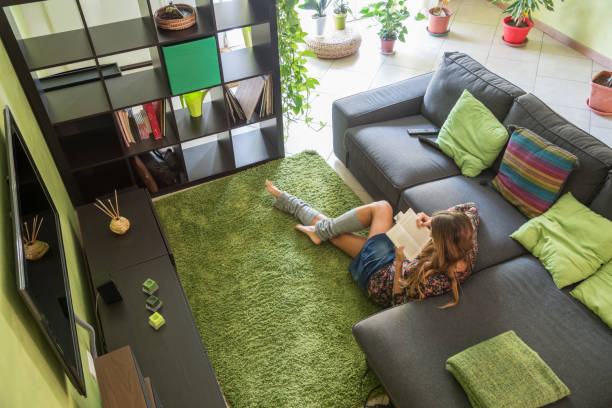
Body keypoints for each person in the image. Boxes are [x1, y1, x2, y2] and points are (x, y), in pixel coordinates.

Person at [265, 180, 479, 308]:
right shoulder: (468, 245)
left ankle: (298, 210)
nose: (430, 232)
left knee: (382, 208)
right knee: (336, 234)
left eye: (434, 234)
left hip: (381, 278)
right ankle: (301, 215)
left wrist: (400, 263)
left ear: (442, 246)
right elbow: (471, 208)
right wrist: (432, 221)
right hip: (393, 258)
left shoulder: (433, 277)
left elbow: (397, 303)